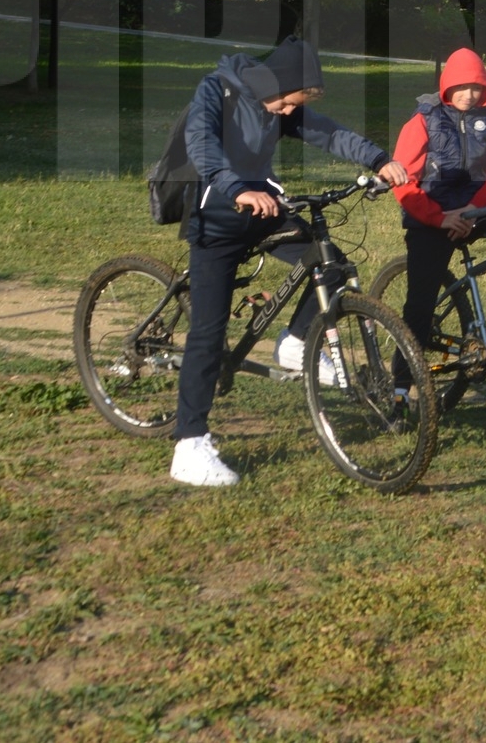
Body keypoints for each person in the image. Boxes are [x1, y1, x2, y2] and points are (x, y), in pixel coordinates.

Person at [172, 38, 408, 488]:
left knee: (330, 262)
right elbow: (201, 144)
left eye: (291, 107)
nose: (285, 113)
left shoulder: (283, 105)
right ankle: (190, 445)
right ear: (270, 82)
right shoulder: (216, 90)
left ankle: (296, 343)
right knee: (208, 330)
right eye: (285, 103)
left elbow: (330, 133)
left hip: (262, 211)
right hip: (217, 218)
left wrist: (379, 159)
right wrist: (237, 188)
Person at [389, 48, 486, 377]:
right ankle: (401, 386)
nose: (469, 94)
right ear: (447, 86)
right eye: (461, 87)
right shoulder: (422, 120)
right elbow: (403, 183)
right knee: (419, 306)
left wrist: (473, 211)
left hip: (475, 212)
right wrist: (441, 217)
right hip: (431, 219)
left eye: (477, 87)